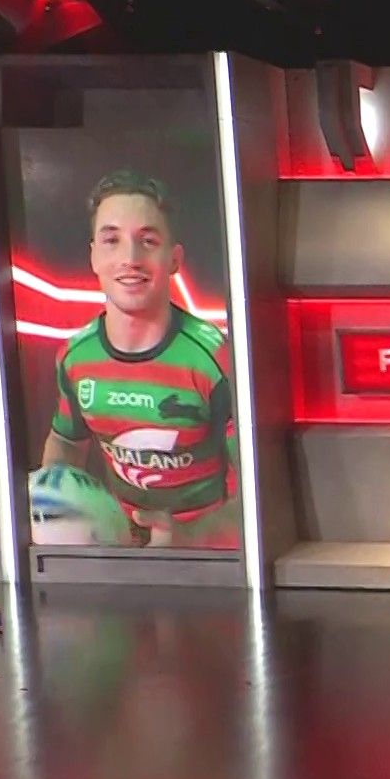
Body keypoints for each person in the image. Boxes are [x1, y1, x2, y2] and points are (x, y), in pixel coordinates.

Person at [41, 169, 239, 549]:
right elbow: (66, 443)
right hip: (119, 557)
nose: (130, 259)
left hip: (211, 564)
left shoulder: (215, 361)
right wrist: (51, 508)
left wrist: (189, 539)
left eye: (148, 241)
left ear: (174, 259)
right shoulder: (75, 357)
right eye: (112, 240)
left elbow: (259, 500)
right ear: (94, 256)